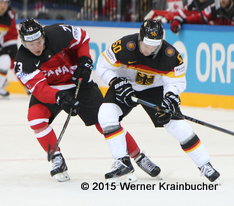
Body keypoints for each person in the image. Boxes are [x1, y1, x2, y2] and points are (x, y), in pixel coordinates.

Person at [14, 18, 156, 182]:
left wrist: (84, 59)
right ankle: (57, 158)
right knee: (36, 119)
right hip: (53, 90)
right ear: (23, 42)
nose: (37, 47)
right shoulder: (22, 62)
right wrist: (60, 98)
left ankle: (138, 155)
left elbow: (82, 37)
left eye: (39, 41)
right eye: (31, 44)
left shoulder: (58, 33)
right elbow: (40, 89)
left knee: (105, 121)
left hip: (78, 82)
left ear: (43, 35)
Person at [96, 19, 220, 183]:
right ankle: (122, 161)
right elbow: (102, 66)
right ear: (140, 37)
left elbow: (177, 82)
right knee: (106, 114)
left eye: (154, 45)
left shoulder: (171, 55)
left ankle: (205, 164)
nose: (149, 50)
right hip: (125, 85)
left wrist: (170, 97)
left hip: (155, 89)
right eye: (147, 44)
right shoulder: (124, 46)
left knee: (178, 126)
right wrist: (115, 82)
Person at [0, 0, 18, 97]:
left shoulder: (8, 19)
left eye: (5, 3)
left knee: (5, 60)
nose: (3, 6)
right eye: (0, 2)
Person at [145, 0, 214, 23]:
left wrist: (183, 20)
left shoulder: (213, 5)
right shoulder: (193, 3)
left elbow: (200, 17)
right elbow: (182, 12)